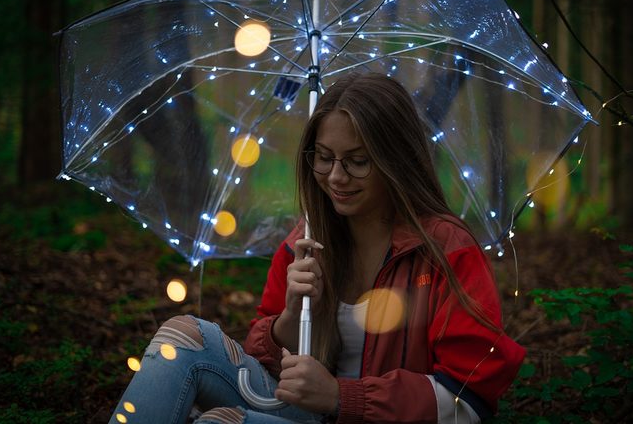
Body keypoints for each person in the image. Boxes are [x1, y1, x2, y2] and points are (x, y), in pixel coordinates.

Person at [109, 73, 525, 424]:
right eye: (324, 158)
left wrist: (344, 396)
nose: (336, 177)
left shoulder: (447, 251)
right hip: (306, 413)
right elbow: (272, 366)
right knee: (181, 337)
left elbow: (468, 398)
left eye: (357, 161)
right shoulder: (306, 240)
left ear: (395, 158)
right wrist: (289, 317)